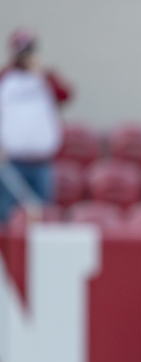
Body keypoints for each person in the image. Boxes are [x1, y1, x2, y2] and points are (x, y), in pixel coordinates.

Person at [0, 28, 72, 222]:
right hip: (12, 163)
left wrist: (42, 74)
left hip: (42, 162)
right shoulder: (5, 78)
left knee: (42, 215)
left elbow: (65, 96)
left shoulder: (45, 78)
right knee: (6, 216)